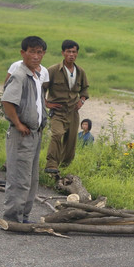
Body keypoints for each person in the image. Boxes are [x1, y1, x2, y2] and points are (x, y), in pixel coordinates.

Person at [1, 36, 47, 223]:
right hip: (22, 134)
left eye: (39, 52)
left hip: (35, 134)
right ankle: (13, 218)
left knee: (32, 178)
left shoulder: (37, 74)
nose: (36, 56)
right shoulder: (19, 75)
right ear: (23, 53)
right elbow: (7, 101)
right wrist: (19, 124)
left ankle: (24, 216)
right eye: (32, 52)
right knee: (19, 178)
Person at [44, 40, 89, 173]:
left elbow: (85, 89)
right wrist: (46, 103)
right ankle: (51, 165)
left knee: (71, 143)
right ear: (63, 53)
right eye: (68, 51)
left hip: (73, 112)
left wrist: (82, 100)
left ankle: (63, 168)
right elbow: (41, 88)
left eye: (74, 52)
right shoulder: (52, 70)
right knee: (57, 135)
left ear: (77, 54)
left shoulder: (80, 72)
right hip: (58, 111)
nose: (71, 54)